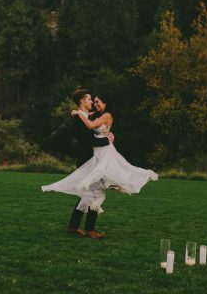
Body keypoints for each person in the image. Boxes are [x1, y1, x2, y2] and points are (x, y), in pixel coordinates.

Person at [42, 91, 158, 239]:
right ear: (82, 101)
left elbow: (90, 124)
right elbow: (88, 138)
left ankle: (74, 226)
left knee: (88, 194)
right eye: (91, 100)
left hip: (98, 157)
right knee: (96, 194)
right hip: (90, 159)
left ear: (105, 103)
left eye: (96, 101)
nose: (93, 103)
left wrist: (81, 115)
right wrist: (106, 139)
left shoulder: (94, 115)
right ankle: (90, 230)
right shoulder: (82, 117)